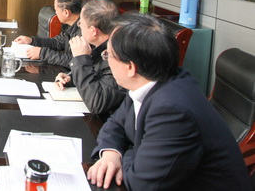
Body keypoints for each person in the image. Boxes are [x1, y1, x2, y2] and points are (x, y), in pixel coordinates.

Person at [88, 13, 250, 190]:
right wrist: (111, 155)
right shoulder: (149, 80)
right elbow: (116, 123)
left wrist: (128, 155)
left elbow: (141, 184)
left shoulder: (172, 110)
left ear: (130, 67)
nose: (107, 61)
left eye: (108, 55)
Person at [54, 0, 125, 117]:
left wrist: (80, 58)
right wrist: (71, 77)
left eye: (81, 23)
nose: (79, 26)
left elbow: (97, 103)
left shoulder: (116, 55)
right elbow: (97, 76)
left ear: (93, 31)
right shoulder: (100, 46)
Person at [13, 0, 82, 67]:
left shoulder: (85, 30)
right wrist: (32, 40)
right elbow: (57, 42)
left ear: (66, 12)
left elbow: (75, 61)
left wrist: (42, 53)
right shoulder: (70, 26)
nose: (55, 13)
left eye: (56, 10)